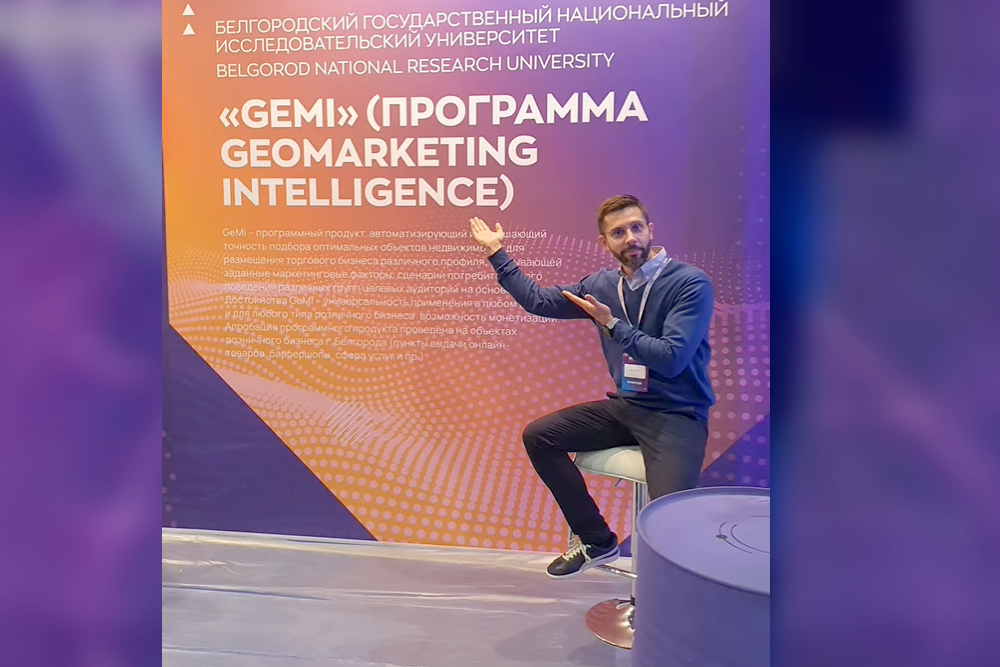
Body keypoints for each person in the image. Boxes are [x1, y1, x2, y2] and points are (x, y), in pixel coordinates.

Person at [468, 194, 715, 579]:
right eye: (618, 232)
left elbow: (671, 358)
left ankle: (671, 603)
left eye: (636, 228)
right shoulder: (600, 285)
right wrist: (497, 253)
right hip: (628, 407)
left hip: (678, 415)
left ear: (650, 230)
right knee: (540, 436)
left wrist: (612, 324)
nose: (630, 238)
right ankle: (596, 540)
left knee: (670, 522)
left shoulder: (688, 283)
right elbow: (538, 301)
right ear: (604, 242)